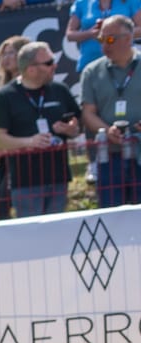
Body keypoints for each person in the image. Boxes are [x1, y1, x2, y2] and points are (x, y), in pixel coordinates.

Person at [0, 39, 82, 216]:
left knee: (56, 232)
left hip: (58, 177)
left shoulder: (60, 90)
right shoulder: (5, 96)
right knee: (32, 236)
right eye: (48, 63)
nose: (55, 65)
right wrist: (29, 141)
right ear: (31, 69)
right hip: (25, 181)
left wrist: (71, 130)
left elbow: (77, 125)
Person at [81, 16, 141, 207]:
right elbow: (88, 112)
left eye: (110, 39)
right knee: (112, 218)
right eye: (101, 39)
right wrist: (108, 130)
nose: (105, 45)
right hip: (110, 156)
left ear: (128, 38)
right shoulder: (91, 71)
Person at [70, 0, 141, 71]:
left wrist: (117, 34)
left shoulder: (131, 1)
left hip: (124, 64)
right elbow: (70, 34)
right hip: (90, 63)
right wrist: (90, 33)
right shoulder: (81, 3)